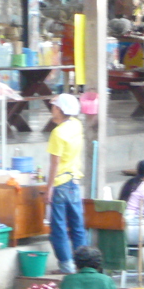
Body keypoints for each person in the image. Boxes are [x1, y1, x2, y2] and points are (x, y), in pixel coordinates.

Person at [46, 93, 86, 275]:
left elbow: (54, 164)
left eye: (54, 107)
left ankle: (67, 266)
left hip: (61, 183)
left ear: (59, 110)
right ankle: (83, 265)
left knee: (59, 227)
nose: (52, 109)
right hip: (74, 181)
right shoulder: (76, 125)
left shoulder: (58, 133)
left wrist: (48, 189)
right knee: (77, 225)